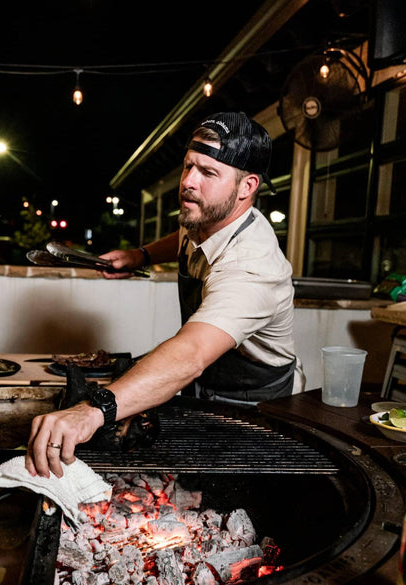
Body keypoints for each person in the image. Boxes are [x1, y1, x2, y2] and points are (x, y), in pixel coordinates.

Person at [27, 112, 303, 477]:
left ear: (246, 187)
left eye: (208, 173)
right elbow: (183, 238)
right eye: (189, 166)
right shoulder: (203, 210)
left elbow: (190, 353)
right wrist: (140, 256)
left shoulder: (253, 267)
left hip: (255, 404)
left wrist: (93, 411)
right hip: (208, 381)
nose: (188, 183)